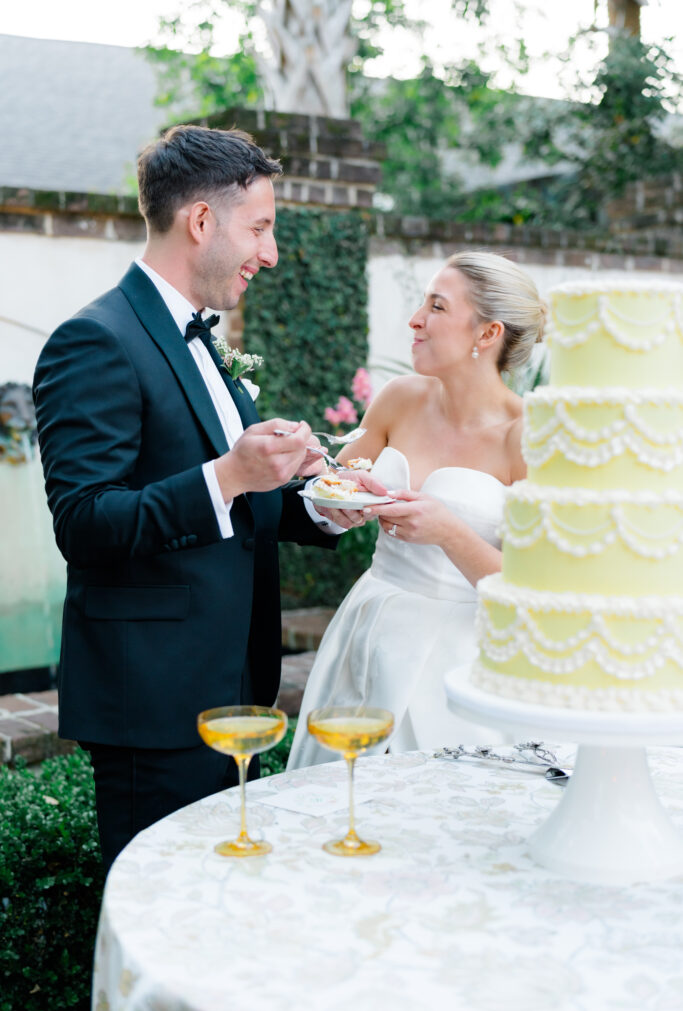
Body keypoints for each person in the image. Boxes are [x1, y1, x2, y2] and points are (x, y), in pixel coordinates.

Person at [33, 124, 381, 871]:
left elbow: (235, 504)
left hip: (233, 691)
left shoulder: (197, 340)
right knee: (164, 907)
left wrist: (317, 505)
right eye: (260, 227)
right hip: (156, 704)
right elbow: (87, 521)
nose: (271, 252)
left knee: (224, 903)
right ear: (200, 222)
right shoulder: (94, 339)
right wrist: (229, 475)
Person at [287, 250, 546, 769]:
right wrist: (331, 484)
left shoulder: (529, 436)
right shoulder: (398, 398)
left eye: (437, 306)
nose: (415, 319)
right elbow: (334, 482)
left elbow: (534, 592)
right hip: (370, 625)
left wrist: (449, 531)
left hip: (462, 660)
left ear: (487, 333)